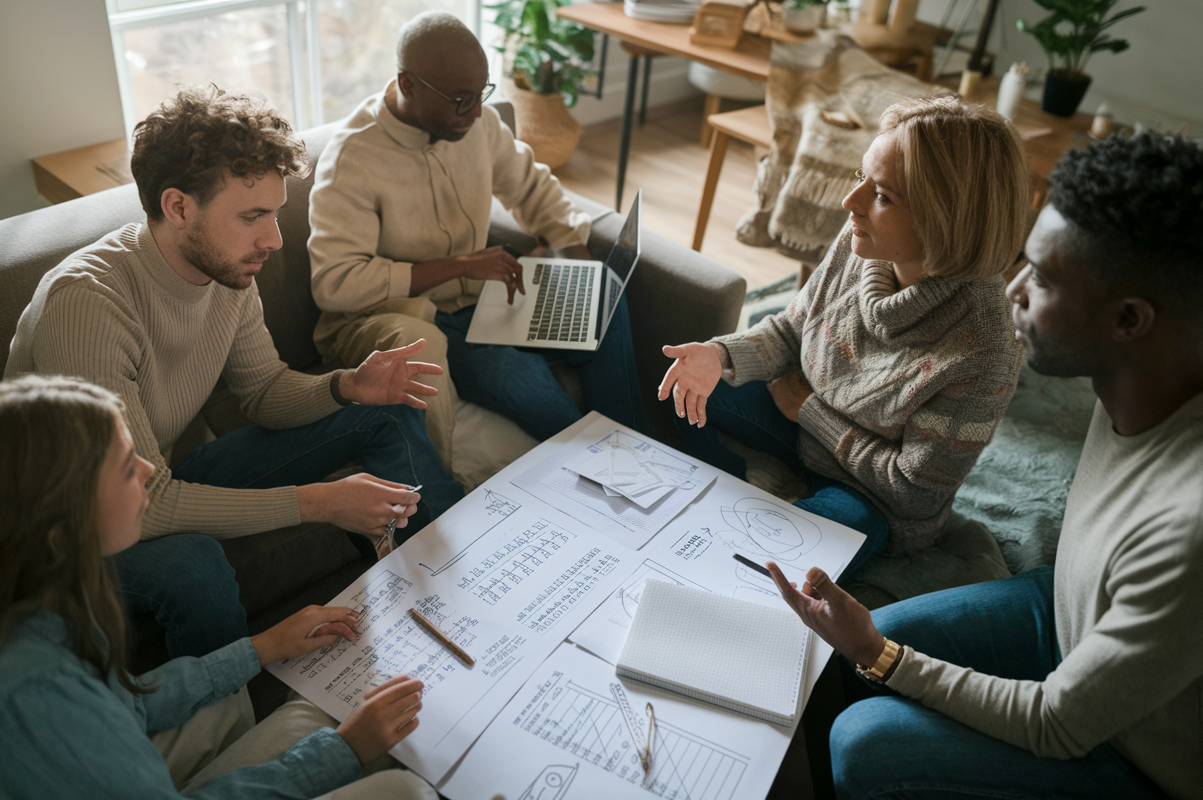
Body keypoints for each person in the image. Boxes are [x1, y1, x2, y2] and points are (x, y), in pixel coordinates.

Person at [766, 131, 1203, 799]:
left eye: (1044, 278)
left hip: (1134, 758)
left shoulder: (1187, 530)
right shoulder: (1144, 376)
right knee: (842, 663)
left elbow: (1058, 723)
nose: (1013, 292)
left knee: (866, 735)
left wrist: (879, 655)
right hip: (1062, 610)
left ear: (1129, 319)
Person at [6, 85, 464, 659]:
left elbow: (265, 392)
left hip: (161, 474)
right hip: (70, 533)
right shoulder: (89, 303)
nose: (273, 239)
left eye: (274, 215)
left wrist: (346, 385)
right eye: (253, 217)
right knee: (194, 566)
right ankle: (226, 715)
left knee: (380, 407)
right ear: (178, 207)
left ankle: (460, 579)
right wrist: (324, 501)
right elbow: (147, 503)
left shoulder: (226, 270)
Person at [0, 375, 434, 800]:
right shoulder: (29, 696)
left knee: (275, 705)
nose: (150, 470)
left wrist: (262, 646)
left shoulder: (31, 605)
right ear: (60, 525)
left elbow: (129, 705)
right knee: (400, 790)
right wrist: (342, 751)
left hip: (109, 759)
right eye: (128, 467)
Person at [658, 95, 1027, 576]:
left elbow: (912, 493)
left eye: (883, 196)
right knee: (682, 382)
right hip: (796, 421)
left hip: (870, 495)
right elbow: (794, 328)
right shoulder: (864, 238)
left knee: (781, 563)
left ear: (946, 219)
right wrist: (720, 355)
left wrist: (809, 412)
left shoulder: (985, 351)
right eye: (861, 178)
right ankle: (731, 481)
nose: (849, 203)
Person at [307, 11, 649, 472]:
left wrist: (575, 257)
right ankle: (612, 471)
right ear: (408, 85)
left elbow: (533, 189)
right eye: (460, 100)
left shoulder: (478, 123)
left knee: (605, 302)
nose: (474, 113)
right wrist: (461, 264)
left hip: (493, 297)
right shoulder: (353, 158)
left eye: (481, 94)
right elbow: (335, 283)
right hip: (427, 318)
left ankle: (642, 453)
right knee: (528, 389)